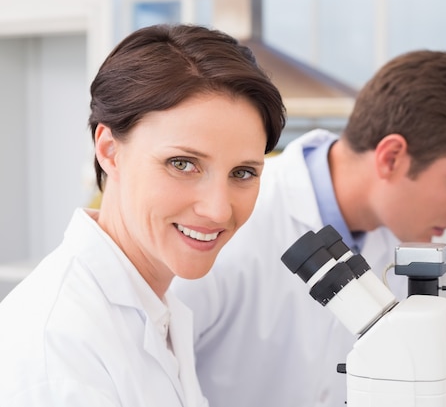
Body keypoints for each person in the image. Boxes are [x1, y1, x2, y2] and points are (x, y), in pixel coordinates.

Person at [170, 49, 446, 407]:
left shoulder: (394, 239)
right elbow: (156, 377)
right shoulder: (228, 222)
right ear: (391, 157)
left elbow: (409, 371)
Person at [0, 23, 285, 406]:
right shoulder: (57, 349)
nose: (218, 209)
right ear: (110, 151)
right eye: (182, 164)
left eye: (243, 173)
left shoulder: (161, 309)